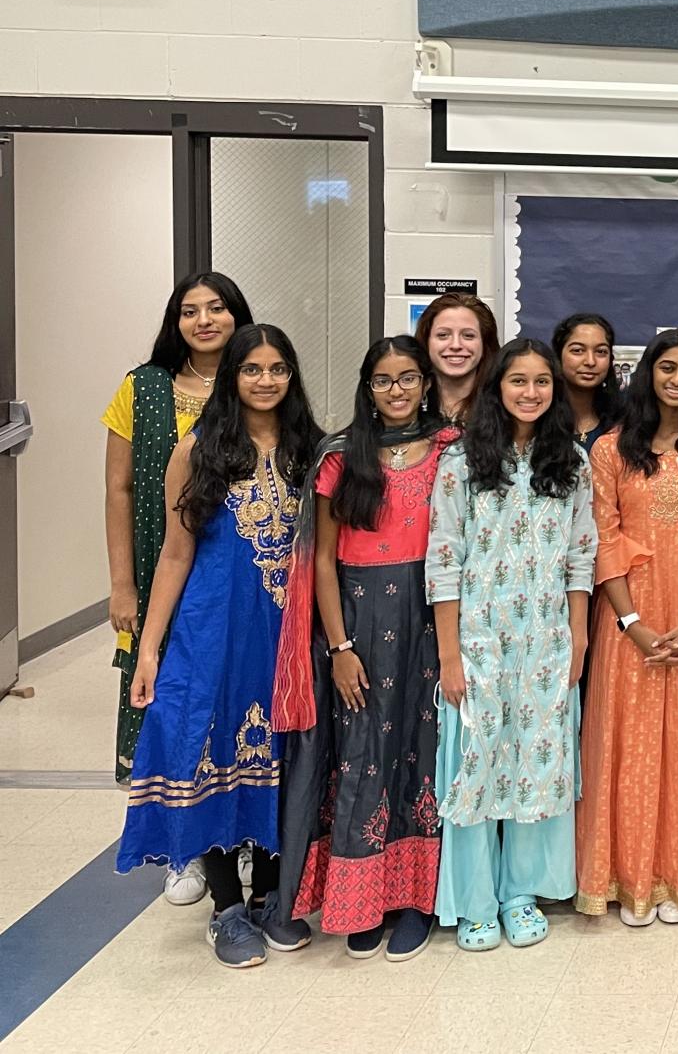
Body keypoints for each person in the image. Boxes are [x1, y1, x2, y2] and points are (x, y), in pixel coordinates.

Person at [115, 324, 320, 968]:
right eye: (252, 368)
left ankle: (269, 898)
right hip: (213, 629)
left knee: (279, 757)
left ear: (292, 376)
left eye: (278, 368)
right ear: (231, 374)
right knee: (205, 751)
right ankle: (227, 908)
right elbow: (175, 555)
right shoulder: (198, 448)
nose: (265, 380)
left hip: (287, 633)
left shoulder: (309, 450)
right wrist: (148, 649)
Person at [272, 336, 451, 962]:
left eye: (407, 378)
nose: (397, 390)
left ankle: (414, 902)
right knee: (362, 753)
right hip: (358, 620)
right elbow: (321, 558)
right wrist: (340, 645)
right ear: (367, 387)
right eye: (383, 380)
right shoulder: (342, 456)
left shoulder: (451, 451)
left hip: (433, 615)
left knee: (422, 750)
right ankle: (359, 899)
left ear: (426, 383)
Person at [427, 338, 595, 951]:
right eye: (518, 381)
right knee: (477, 763)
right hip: (478, 641)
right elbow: (443, 560)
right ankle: (474, 902)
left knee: (538, 761)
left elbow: (582, 557)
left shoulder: (573, 462)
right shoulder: (461, 463)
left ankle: (522, 893)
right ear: (497, 387)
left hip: (548, 641)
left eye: (541, 382)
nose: (531, 392)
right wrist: (449, 653)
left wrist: (578, 638)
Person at [577, 330, 678, 927]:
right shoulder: (613, 450)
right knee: (632, 744)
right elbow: (604, 538)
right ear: (648, 372)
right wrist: (634, 623)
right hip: (630, 619)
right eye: (666, 367)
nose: (677, 380)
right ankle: (630, 879)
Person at [103, 270, 252, 906]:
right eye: (190, 311)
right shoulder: (143, 389)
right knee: (168, 706)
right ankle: (182, 850)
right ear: (176, 322)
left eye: (216, 308)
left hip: (236, 584)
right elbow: (118, 489)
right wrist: (120, 584)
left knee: (237, 711)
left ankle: (243, 842)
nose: (204, 320)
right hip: (160, 569)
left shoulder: (259, 380)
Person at [414, 291, 500, 426]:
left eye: (468, 335)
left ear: (485, 344)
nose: (456, 345)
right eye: (443, 335)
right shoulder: (405, 406)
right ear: (426, 342)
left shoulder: (505, 409)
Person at [554, 312, 619, 449]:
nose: (590, 361)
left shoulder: (625, 420)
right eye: (578, 350)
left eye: (601, 352)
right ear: (558, 356)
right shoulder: (540, 416)